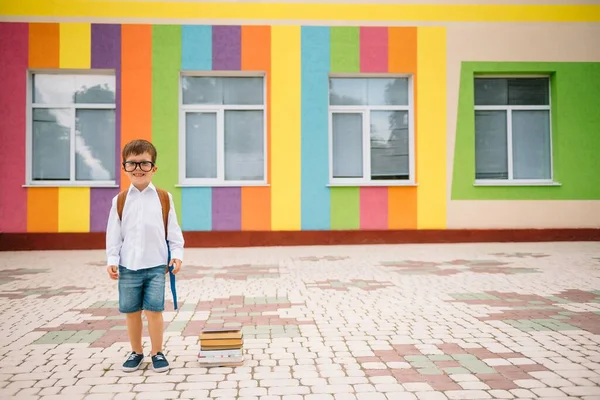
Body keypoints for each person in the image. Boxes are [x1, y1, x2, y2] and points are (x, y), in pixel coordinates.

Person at [105, 139, 184, 373]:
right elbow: (114, 235)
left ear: (154, 168)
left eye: (144, 163)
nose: (138, 168)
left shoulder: (163, 198)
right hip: (128, 266)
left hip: (156, 266)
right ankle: (136, 352)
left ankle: (157, 352)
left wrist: (177, 254)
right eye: (132, 164)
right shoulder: (119, 200)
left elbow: (174, 231)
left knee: (154, 311)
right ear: (124, 167)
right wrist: (112, 260)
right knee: (131, 312)